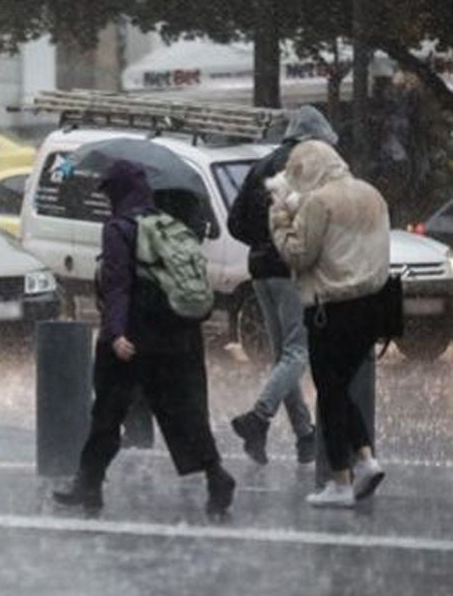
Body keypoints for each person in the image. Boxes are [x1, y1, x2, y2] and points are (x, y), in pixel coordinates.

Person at [53, 160, 235, 516]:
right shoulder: (169, 225)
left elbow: (117, 287)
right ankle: (217, 476)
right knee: (184, 412)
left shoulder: (120, 229)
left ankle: (87, 484)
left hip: (133, 339)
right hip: (177, 335)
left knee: (107, 411)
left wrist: (116, 334)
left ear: (117, 193)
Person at [269, 140, 389, 508]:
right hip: (374, 304)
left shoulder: (320, 202)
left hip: (331, 307)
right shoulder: (372, 194)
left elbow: (298, 255)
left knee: (330, 390)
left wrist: (279, 217)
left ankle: (342, 479)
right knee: (338, 387)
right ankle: (365, 459)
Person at [226, 106, 337, 465]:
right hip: (291, 268)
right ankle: (258, 418)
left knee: (283, 355)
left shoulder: (262, 164)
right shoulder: (308, 164)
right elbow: (320, 217)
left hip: (260, 270)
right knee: (297, 351)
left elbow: (235, 222)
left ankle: (305, 436)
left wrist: (262, 242)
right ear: (314, 138)